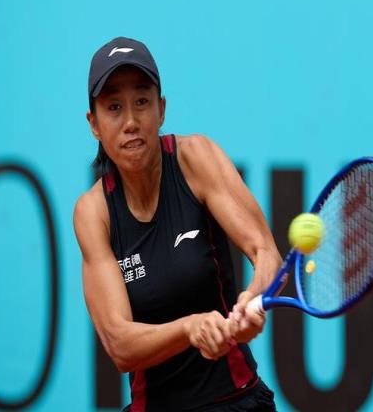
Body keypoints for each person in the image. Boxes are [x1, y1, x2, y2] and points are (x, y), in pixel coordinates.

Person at [73, 37, 282, 411]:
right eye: (114, 107)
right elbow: (120, 345)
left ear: (162, 109)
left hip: (235, 402)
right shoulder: (94, 213)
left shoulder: (195, 158)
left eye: (142, 102)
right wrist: (190, 328)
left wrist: (254, 299)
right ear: (94, 124)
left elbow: (266, 251)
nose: (131, 122)